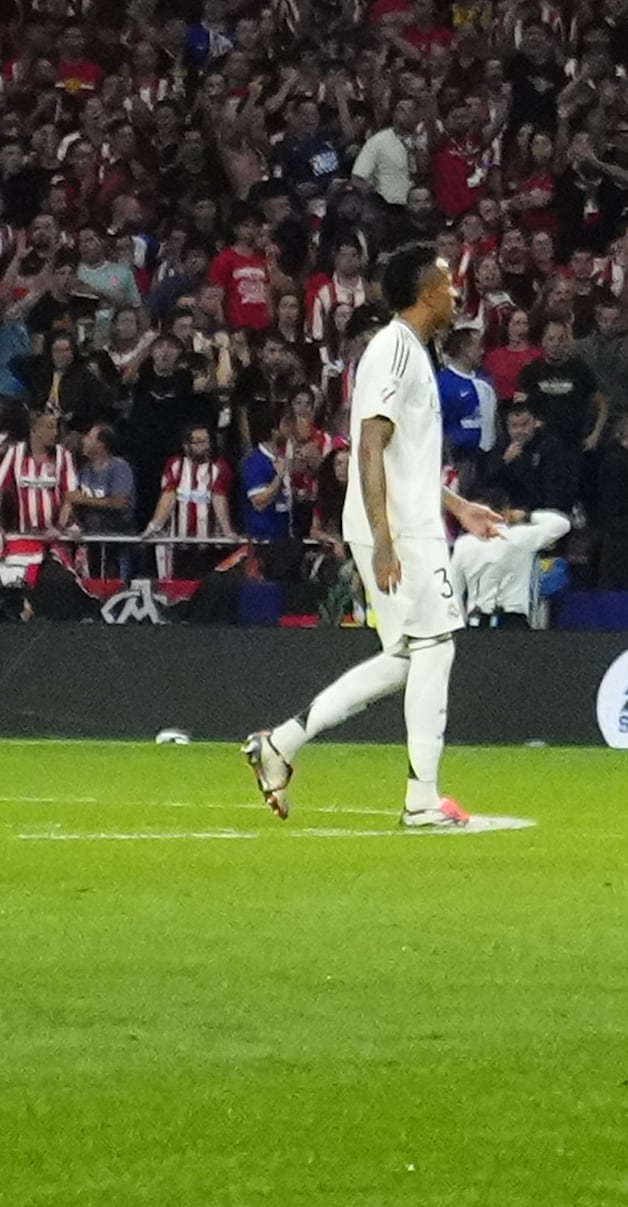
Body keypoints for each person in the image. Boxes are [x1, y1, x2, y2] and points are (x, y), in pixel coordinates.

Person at [243, 244, 509, 831]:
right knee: (437, 645)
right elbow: (368, 443)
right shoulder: (392, 347)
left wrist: (457, 505)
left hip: (410, 520)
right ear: (426, 291)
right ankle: (422, 799)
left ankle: (281, 743)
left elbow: (405, 457)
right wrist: (385, 538)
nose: (457, 290)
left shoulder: (414, 350)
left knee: (406, 656)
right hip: (397, 529)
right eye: (447, 280)